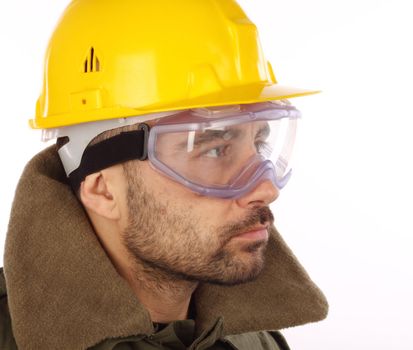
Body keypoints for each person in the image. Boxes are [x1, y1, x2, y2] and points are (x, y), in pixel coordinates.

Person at [0, 0, 328, 349]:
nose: (265, 188)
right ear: (103, 190)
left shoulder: (251, 339)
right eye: (214, 149)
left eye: (260, 141)